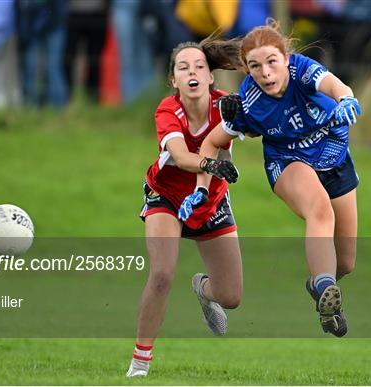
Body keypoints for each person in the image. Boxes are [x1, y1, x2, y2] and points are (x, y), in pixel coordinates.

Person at [179, 19, 362, 338]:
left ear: (286, 60)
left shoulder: (303, 70)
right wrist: (202, 185)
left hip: (335, 158)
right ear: (247, 70)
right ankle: (324, 285)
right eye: (255, 66)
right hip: (289, 162)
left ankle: (320, 287)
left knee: (345, 263)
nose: (265, 73)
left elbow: (336, 86)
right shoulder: (251, 102)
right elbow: (212, 141)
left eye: (271, 62)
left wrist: (346, 100)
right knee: (320, 211)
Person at [126, 39, 243, 378]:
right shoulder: (167, 111)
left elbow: (265, 119)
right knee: (162, 274)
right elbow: (179, 156)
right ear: (174, 81)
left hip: (211, 201)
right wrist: (210, 163)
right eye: (183, 67)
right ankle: (140, 363)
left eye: (199, 67)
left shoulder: (227, 106)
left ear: (210, 78)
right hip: (168, 196)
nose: (192, 72)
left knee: (231, 296)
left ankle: (203, 289)